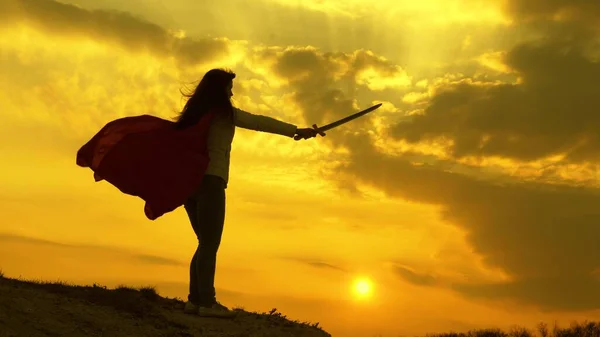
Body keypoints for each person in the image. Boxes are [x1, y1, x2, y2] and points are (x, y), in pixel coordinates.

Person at [172, 68, 320, 318]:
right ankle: (206, 303)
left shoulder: (194, 115)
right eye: (229, 88)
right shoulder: (222, 113)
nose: (231, 92)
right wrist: (295, 130)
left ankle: (195, 300)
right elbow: (258, 122)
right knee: (209, 244)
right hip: (211, 181)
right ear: (220, 90)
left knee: (204, 244)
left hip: (190, 185)